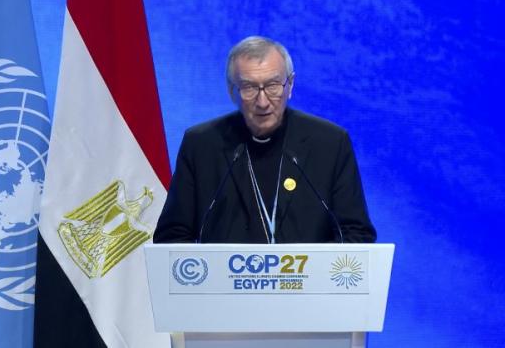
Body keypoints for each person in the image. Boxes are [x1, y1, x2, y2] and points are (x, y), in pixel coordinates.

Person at [154, 36, 376, 244]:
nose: (262, 102)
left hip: (308, 285)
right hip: (224, 285)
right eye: (249, 88)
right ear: (232, 91)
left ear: (290, 86)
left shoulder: (329, 142)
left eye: (272, 86)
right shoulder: (202, 144)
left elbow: (356, 233)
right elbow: (173, 235)